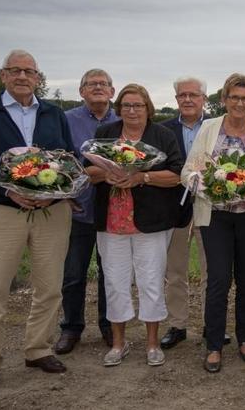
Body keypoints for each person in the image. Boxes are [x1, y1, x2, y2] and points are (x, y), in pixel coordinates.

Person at [0, 49, 74, 394]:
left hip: (51, 212)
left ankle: (38, 349)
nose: (22, 76)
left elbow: (68, 159)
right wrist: (7, 188)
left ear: (38, 78)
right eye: (15, 71)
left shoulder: (54, 113)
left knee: (50, 286)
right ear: (3, 75)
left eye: (29, 71)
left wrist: (59, 190)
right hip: (1, 210)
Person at [87, 84, 183, 367]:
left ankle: (152, 344)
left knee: (151, 282)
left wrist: (142, 177)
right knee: (115, 283)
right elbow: (88, 171)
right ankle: (118, 343)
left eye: (137, 105)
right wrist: (108, 172)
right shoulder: (106, 134)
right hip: (111, 222)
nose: (131, 110)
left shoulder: (162, 135)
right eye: (126, 105)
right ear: (119, 108)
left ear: (147, 107)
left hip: (150, 223)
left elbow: (177, 175)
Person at [180, 73, 245, 373]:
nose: (240, 103)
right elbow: (188, 172)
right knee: (218, 280)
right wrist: (209, 186)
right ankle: (215, 345)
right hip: (215, 216)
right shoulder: (209, 128)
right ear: (224, 99)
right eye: (234, 97)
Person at [54, 69, 119, 355]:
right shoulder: (66, 120)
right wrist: (65, 195)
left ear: (112, 91)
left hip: (112, 209)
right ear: (81, 91)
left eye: (103, 84)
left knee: (111, 273)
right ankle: (71, 327)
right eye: (91, 84)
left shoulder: (123, 120)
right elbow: (58, 161)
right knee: (73, 273)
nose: (97, 88)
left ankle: (108, 325)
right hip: (78, 207)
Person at [159, 76, 211, 349]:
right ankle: (177, 325)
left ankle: (210, 324)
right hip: (175, 208)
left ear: (204, 98)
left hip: (209, 207)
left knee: (211, 271)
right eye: (182, 95)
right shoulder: (163, 129)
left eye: (194, 94)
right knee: (175, 270)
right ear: (176, 99)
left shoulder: (216, 128)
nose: (188, 99)